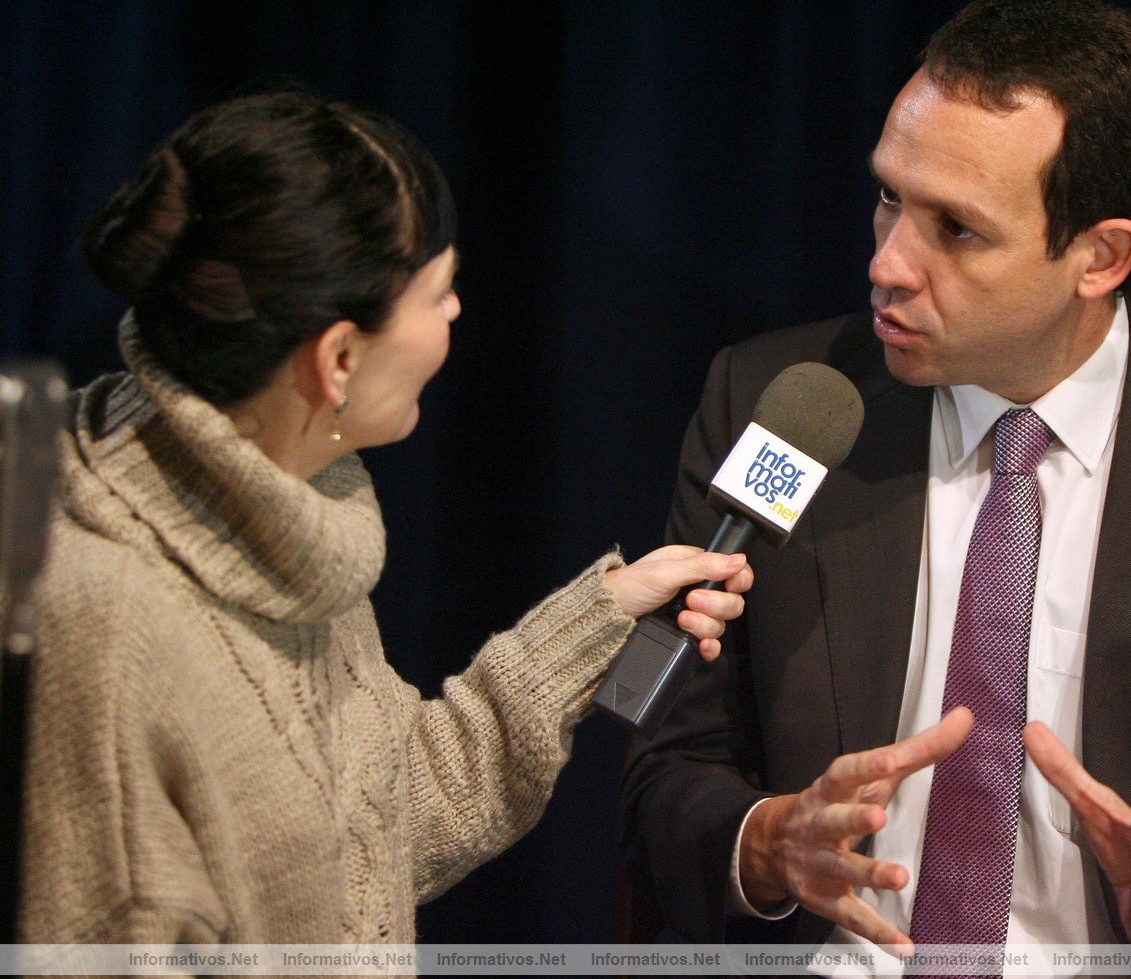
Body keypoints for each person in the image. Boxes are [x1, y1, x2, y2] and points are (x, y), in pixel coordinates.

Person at [621, 0, 1131, 975]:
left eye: (957, 230)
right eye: (890, 197)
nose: (890, 263)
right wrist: (766, 843)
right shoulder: (781, 410)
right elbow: (661, 761)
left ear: (1100, 256)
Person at [16, 90, 753, 944]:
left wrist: (601, 616)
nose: (456, 314)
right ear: (337, 358)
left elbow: (374, 828)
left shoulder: (293, 501)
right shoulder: (108, 627)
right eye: (437, 293)